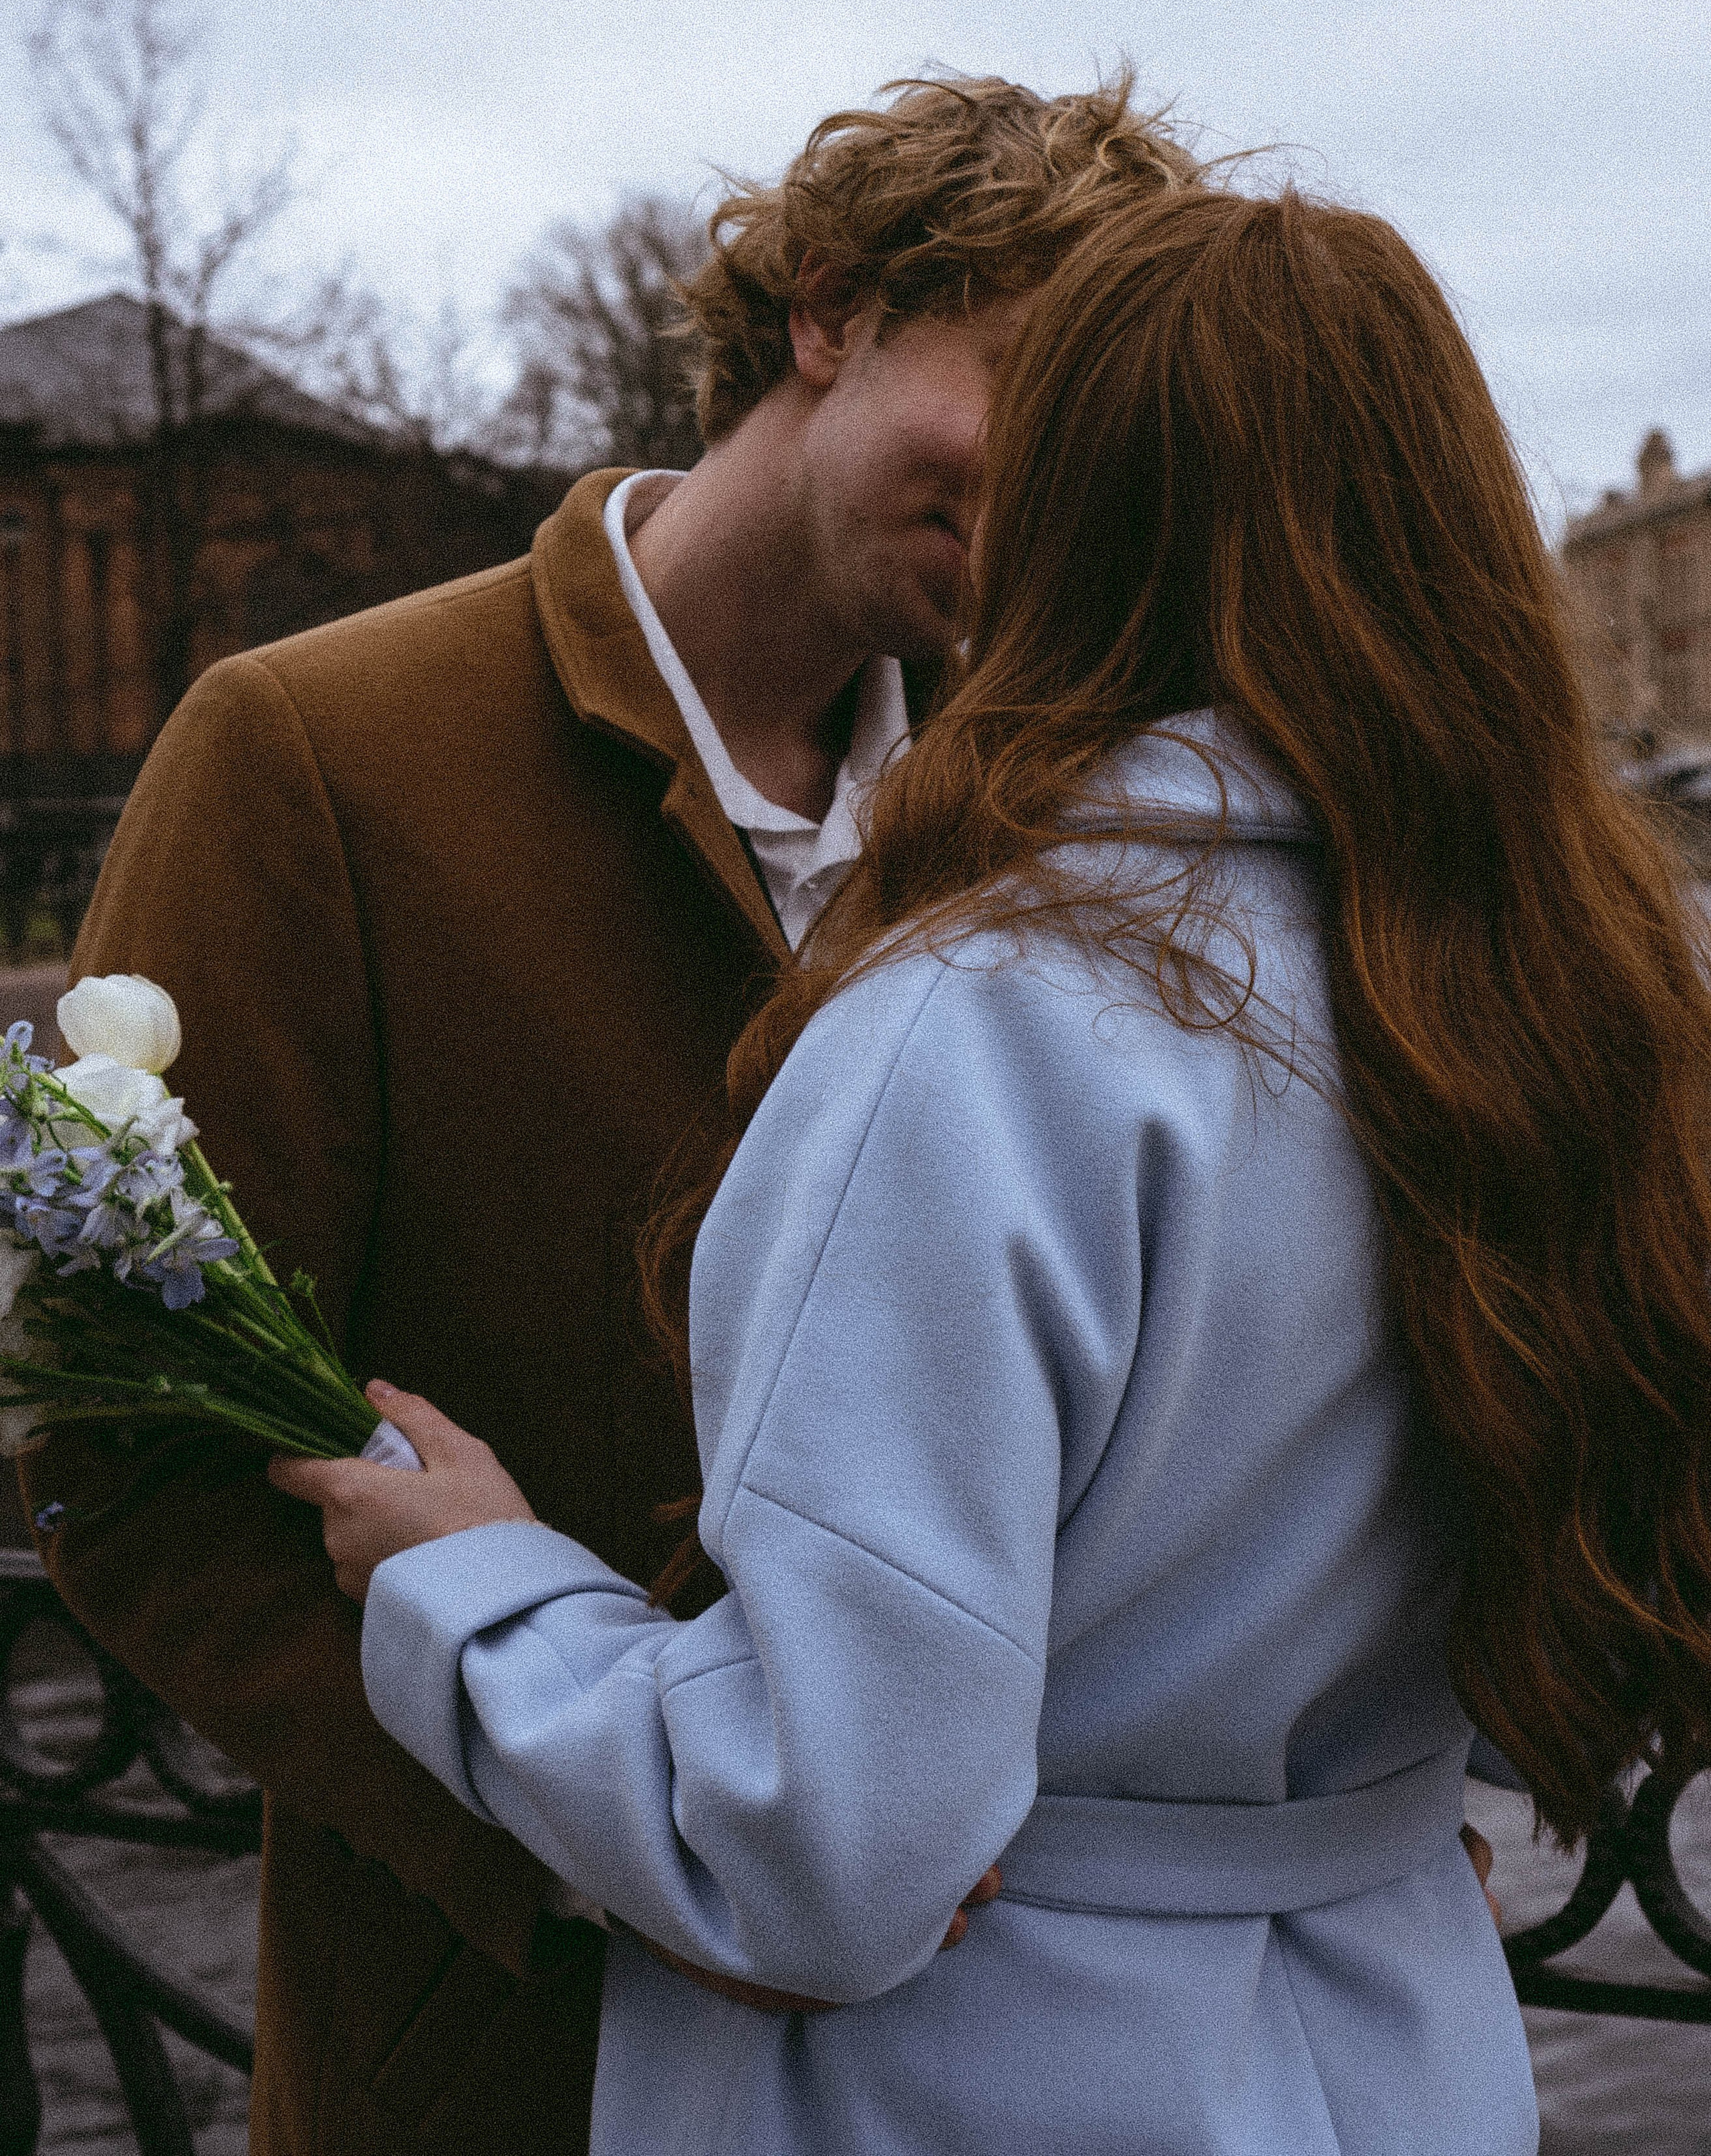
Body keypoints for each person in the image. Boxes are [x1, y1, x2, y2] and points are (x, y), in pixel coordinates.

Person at [277, 185, 1711, 2154]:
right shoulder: (1566, 1003)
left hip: (984, 2069)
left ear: (1076, 513)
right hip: (1399, 2045)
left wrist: (477, 1590)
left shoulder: (990, 1021)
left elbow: (831, 1847)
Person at [17, 75, 1201, 2156]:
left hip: (1011, 2060)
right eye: (1026, 389)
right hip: (501, 2063)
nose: (1052, 502)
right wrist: (613, 1835)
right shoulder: (310, 751)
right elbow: (139, 1462)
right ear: (830, 307)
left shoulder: (1058, 821)